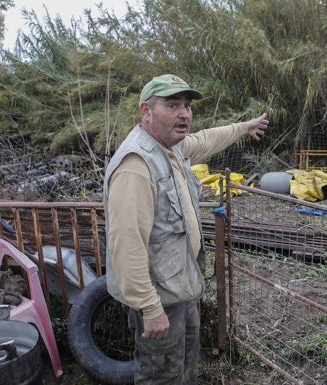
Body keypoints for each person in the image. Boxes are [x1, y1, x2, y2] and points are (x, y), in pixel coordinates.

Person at [103, 74, 268, 384]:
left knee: (184, 372)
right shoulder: (137, 164)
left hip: (180, 290)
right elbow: (127, 245)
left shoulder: (170, 148)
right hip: (160, 300)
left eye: (187, 106)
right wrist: (150, 309)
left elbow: (206, 139)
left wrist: (244, 128)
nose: (184, 114)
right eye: (173, 105)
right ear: (146, 111)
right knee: (161, 378)